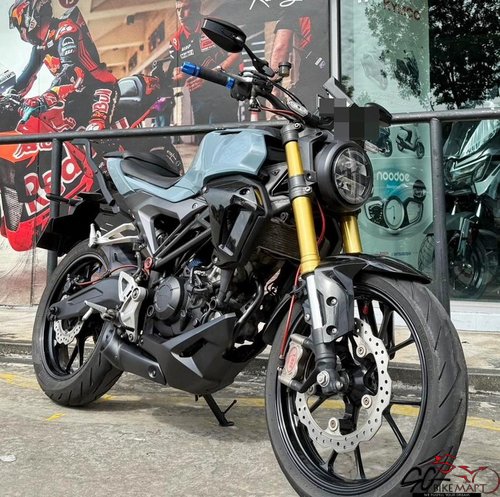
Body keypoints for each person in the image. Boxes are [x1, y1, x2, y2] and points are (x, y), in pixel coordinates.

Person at [8, 0, 118, 130]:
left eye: (19, 25)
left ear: (29, 18)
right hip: (76, 97)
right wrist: (9, 96)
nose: (20, 31)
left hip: (100, 89)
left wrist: (45, 98)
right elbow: (26, 76)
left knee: (95, 130)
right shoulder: (40, 47)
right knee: (57, 131)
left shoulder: (65, 30)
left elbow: (72, 70)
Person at [168, 0, 241, 125]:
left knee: (220, 130)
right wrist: (177, 76)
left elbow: (236, 55)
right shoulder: (176, 39)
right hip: (199, 98)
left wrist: (209, 76)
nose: (180, 14)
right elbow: (179, 72)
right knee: (203, 134)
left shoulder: (214, 25)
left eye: (185, 8)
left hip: (223, 92)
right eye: (178, 9)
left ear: (196, 8)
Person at [269, 0, 329, 110]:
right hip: (344, 77)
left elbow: (281, 48)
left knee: (314, 117)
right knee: (341, 118)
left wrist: (275, 89)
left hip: (314, 81)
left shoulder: (294, 5)